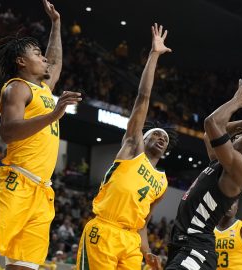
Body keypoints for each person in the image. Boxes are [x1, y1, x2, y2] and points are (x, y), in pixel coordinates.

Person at [0, 1, 81, 270]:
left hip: (43, 193)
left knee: (24, 267)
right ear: (21, 61)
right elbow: (8, 132)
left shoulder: (45, 89)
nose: (44, 58)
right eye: (37, 54)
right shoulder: (17, 88)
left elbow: (56, 61)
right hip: (16, 183)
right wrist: (52, 115)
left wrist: (57, 24)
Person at [76, 24, 176, 270]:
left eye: (165, 138)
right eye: (155, 133)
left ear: (166, 151)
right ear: (142, 136)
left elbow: (143, 222)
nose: (161, 138)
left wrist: (148, 251)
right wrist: (154, 55)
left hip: (131, 242)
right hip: (105, 230)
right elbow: (143, 97)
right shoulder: (133, 148)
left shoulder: (162, 183)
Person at [165, 78, 242, 270]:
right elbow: (209, 134)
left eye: (241, 135)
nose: (236, 134)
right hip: (184, 246)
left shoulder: (239, 168)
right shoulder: (222, 162)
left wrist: (238, 101)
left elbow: (212, 123)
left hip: (196, 250)